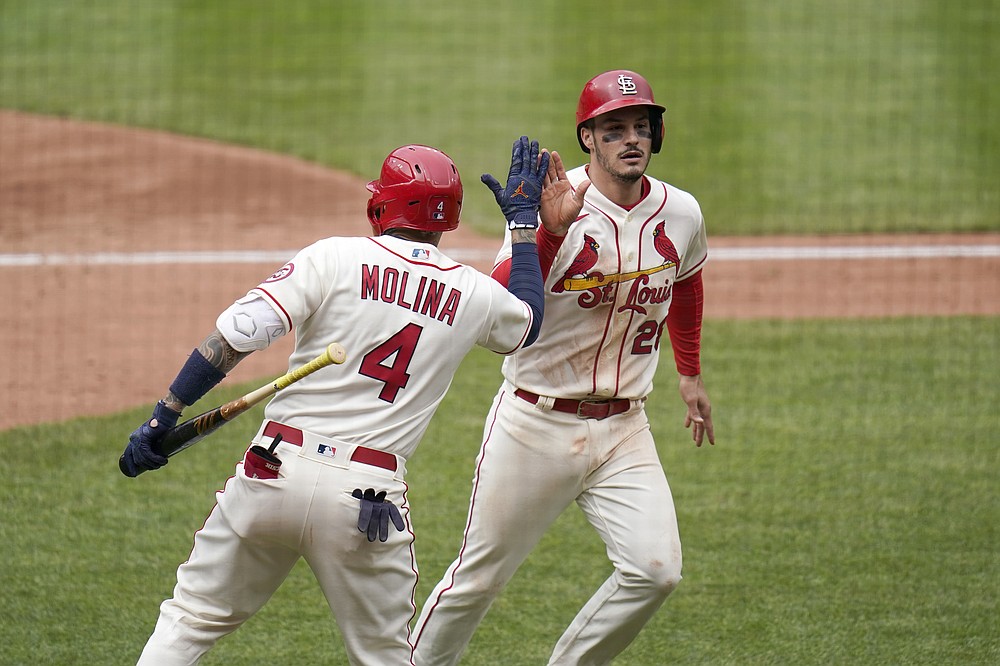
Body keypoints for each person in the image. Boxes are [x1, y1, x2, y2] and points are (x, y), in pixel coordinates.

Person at [120, 137, 551, 665]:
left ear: (382, 203)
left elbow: (238, 334)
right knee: (384, 657)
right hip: (366, 499)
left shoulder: (333, 256)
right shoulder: (475, 294)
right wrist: (525, 230)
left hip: (270, 472)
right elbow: (528, 323)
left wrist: (165, 413)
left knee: (189, 619)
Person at [412, 70, 715, 665]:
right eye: (614, 129)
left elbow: (688, 282)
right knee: (478, 580)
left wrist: (690, 372)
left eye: (640, 127)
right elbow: (500, 310)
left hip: (626, 429)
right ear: (588, 139)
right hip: (535, 424)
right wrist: (545, 232)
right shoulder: (553, 202)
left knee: (656, 572)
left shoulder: (681, 212)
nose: (631, 139)